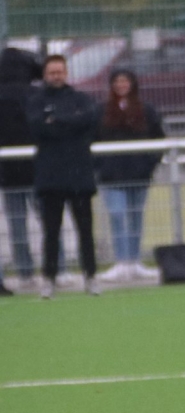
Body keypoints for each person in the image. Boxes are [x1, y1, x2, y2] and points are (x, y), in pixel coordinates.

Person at [26, 54, 101, 298]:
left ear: (66, 73)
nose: (56, 76)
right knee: (51, 232)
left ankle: (91, 276)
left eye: (60, 72)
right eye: (52, 72)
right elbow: (38, 128)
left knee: (85, 230)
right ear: (45, 75)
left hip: (80, 176)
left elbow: (89, 121)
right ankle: (49, 279)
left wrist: (56, 120)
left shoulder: (81, 99)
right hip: (50, 177)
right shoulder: (36, 101)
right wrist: (70, 123)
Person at [95, 68, 165, 282]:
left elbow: (159, 139)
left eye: (125, 81)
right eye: (117, 81)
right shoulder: (101, 111)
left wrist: (149, 164)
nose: (121, 85)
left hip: (139, 174)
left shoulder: (147, 110)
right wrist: (100, 166)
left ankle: (134, 262)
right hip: (111, 176)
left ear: (132, 84)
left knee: (136, 217)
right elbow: (91, 139)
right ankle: (121, 262)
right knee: (117, 215)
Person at [0, 48, 42, 295]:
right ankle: (56, 268)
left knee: (17, 223)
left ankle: (25, 271)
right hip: (37, 167)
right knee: (49, 220)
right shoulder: (36, 95)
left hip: (7, 170)